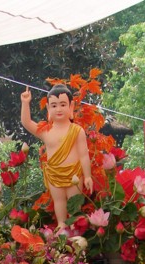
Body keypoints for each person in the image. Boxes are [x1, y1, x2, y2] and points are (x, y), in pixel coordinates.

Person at [20, 83, 93, 228]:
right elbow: (26, 122)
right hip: (54, 174)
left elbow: (84, 155)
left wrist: (88, 176)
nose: (58, 109)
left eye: (63, 104)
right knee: (59, 202)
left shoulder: (77, 131)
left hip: (74, 173)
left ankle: (74, 227)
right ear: (48, 108)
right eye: (54, 105)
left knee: (74, 202)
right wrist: (25, 103)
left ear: (71, 107)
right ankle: (61, 226)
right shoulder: (46, 131)